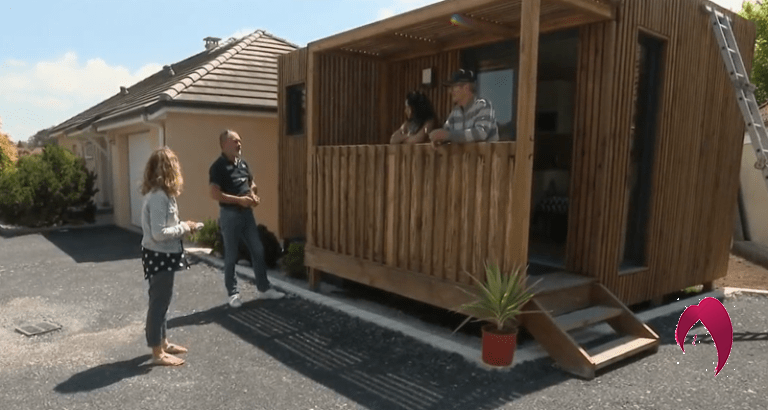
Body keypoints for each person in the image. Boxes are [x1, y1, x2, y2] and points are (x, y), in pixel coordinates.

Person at [209, 129, 285, 308]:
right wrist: (239, 200)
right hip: (230, 215)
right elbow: (214, 194)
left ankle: (264, 289)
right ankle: (233, 293)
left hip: (247, 215)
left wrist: (252, 195)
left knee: (258, 250)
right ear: (224, 144)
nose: (239, 144)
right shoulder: (217, 167)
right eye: (235, 141)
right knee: (231, 255)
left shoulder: (243, 164)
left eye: (239, 141)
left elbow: (252, 183)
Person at [140, 147, 201, 366]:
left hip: (162, 254)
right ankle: (157, 352)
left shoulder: (164, 195)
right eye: (174, 164)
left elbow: (165, 227)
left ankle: (162, 343)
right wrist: (184, 227)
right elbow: (159, 233)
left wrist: (185, 227)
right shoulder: (158, 197)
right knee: (159, 302)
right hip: (159, 254)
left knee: (162, 300)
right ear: (168, 168)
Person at [429, 69, 498, 147]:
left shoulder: (483, 105)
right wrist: (439, 139)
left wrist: (447, 135)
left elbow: (481, 133)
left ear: (466, 88)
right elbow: (446, 131)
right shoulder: (456, 111)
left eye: (453, 87)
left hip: (487, 158)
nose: (450, 91)